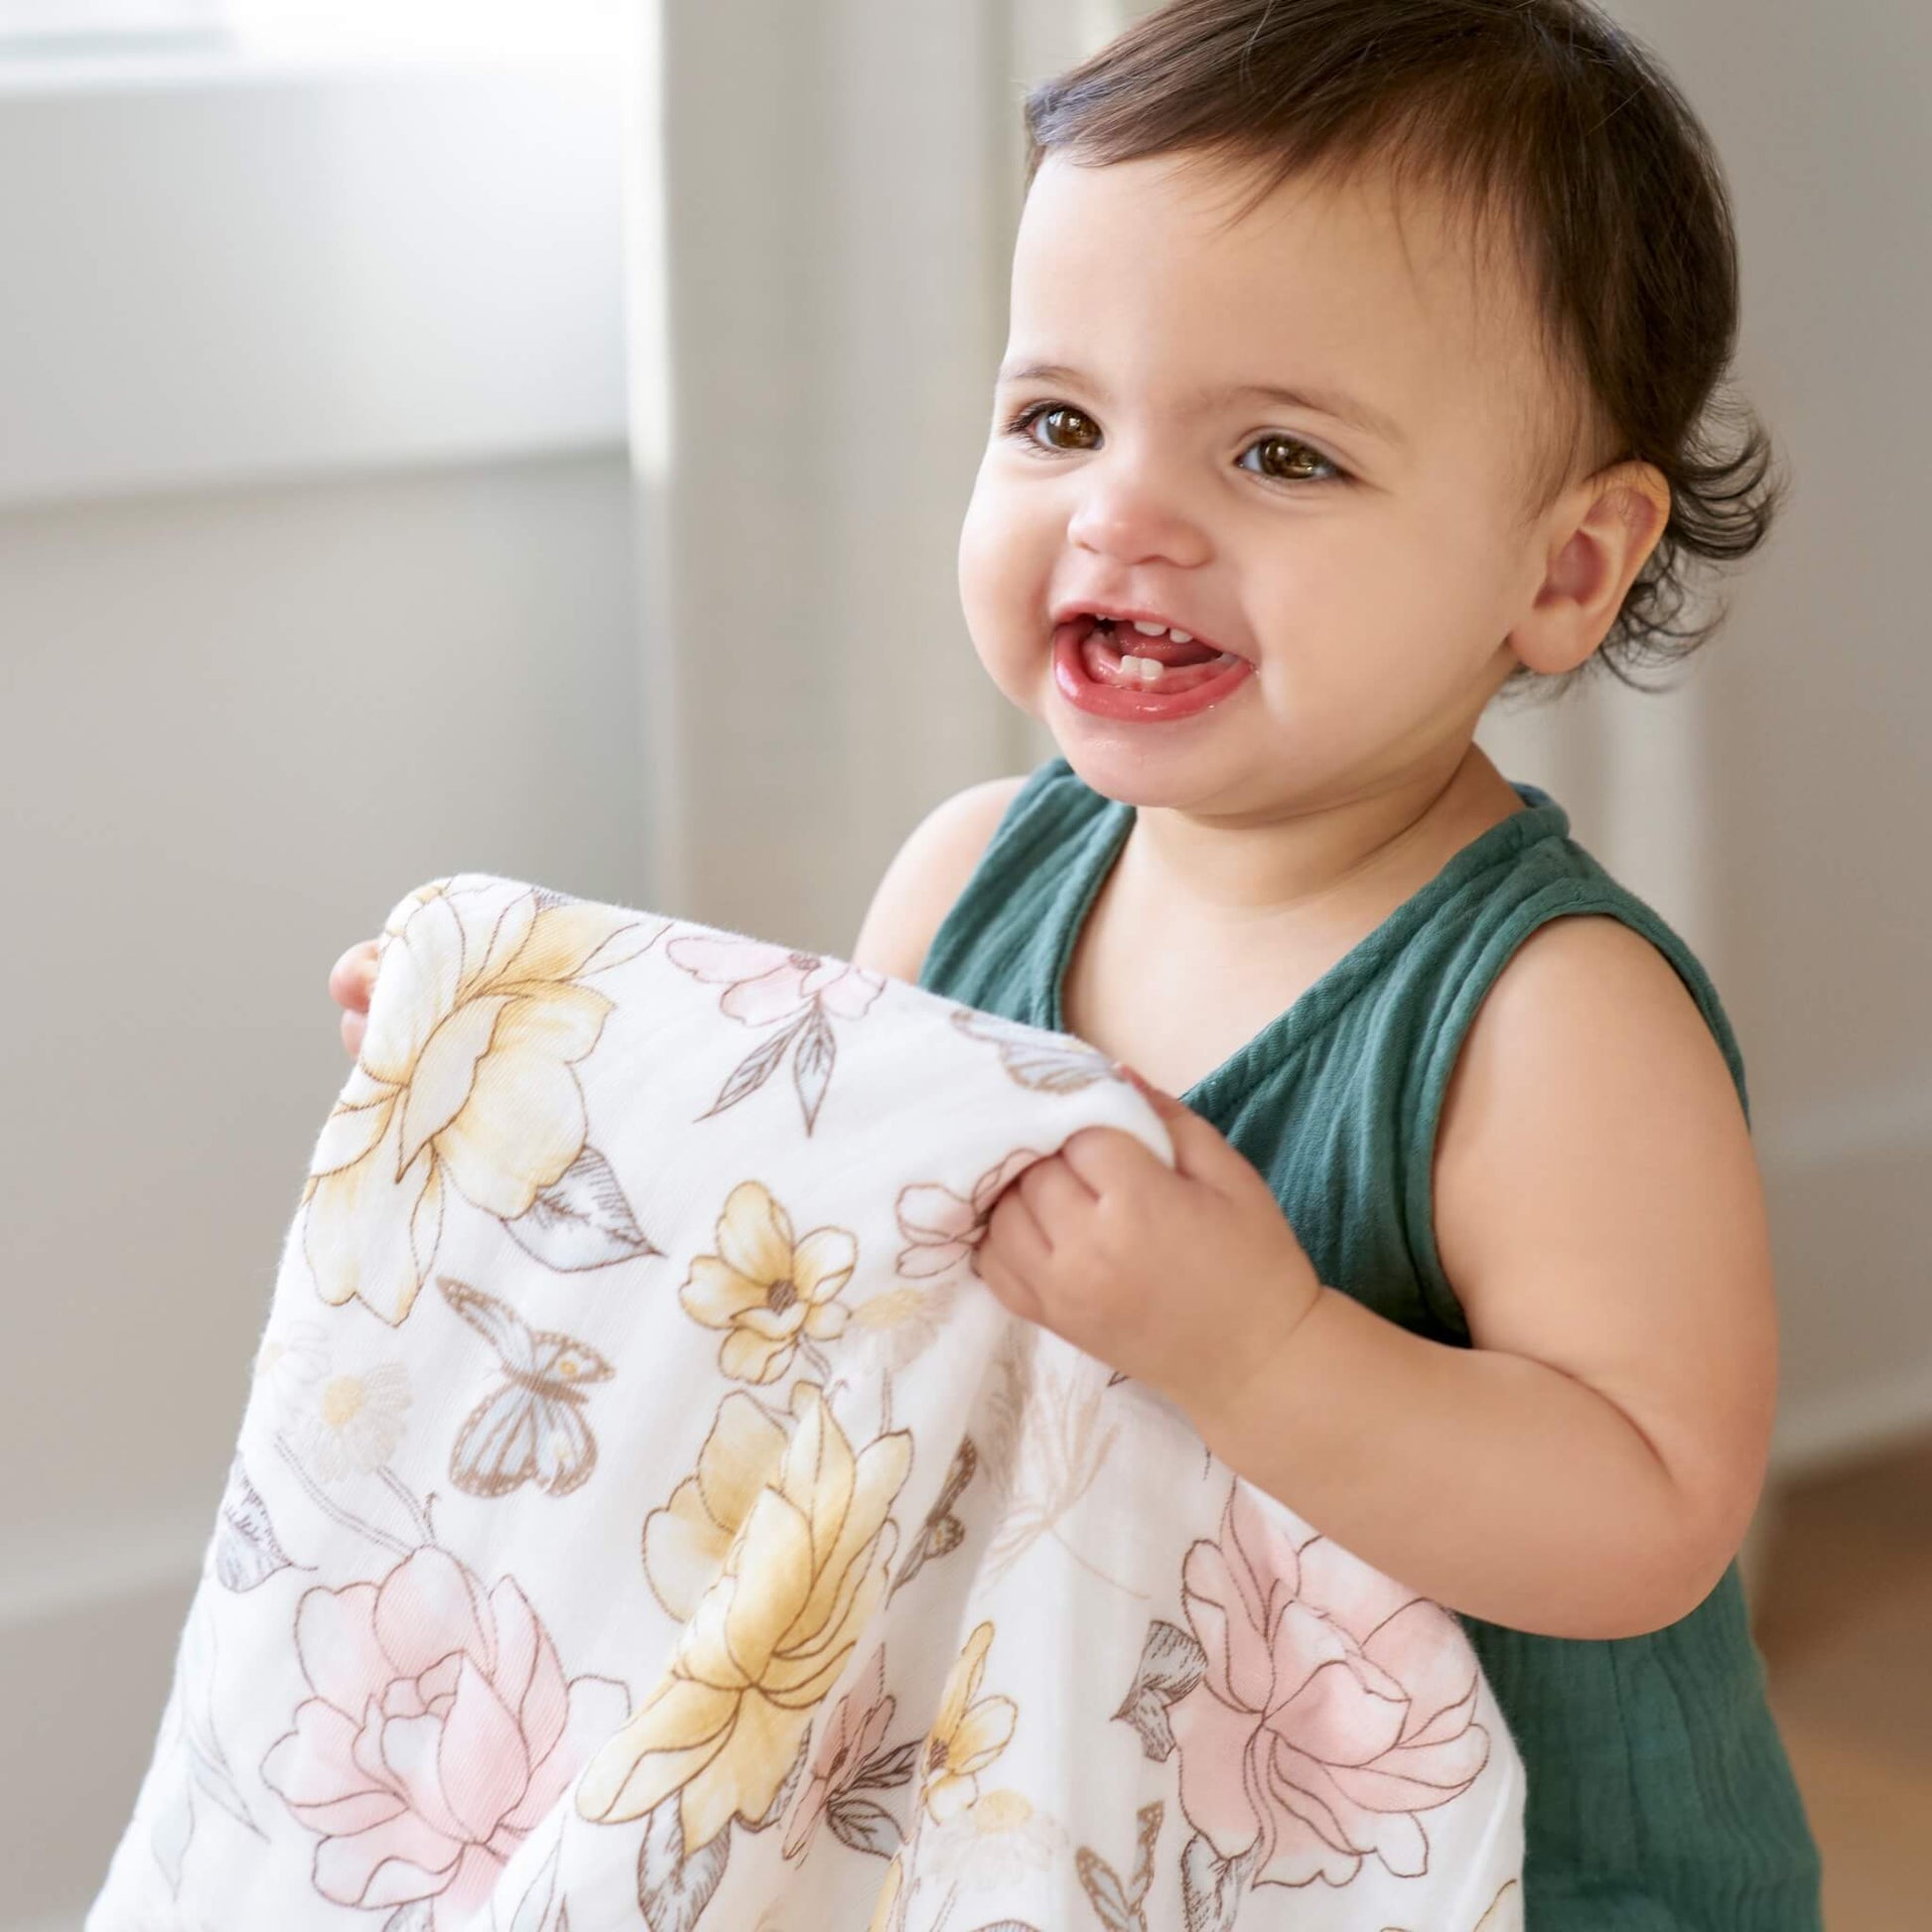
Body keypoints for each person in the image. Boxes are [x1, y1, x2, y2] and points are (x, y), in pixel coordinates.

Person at [332, 1, 1823, 1921]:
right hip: (1110, 1815)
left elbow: (1644, 1517)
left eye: (1281, 454)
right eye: (1058, 419)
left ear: (1558, 570)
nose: (1122, 512)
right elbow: (808, 1256)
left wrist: (1259, 1350)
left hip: (1535, 1882)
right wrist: (532, 1097)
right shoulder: (969, 878)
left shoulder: (1548, 1021)